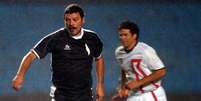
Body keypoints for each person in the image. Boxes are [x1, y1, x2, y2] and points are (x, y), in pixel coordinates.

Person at [12, 3, 105, 101]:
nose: (71, 24)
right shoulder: (56, 38)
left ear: (83, 20)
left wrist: (100, 85)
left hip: (84, 94)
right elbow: (31, 55)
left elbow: (99, 58)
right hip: (61, 95)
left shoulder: (92, 38)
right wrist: (19, 75)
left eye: (75, 20)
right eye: (67, 20)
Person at [112, 20, 167, 101]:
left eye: (125, 35)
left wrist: (138, 83)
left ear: (134, 36)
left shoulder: (145, 51)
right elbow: (124, 69)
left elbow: (161, 71)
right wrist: (123, 88)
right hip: (134, 95)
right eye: (120, 35)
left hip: (151, 94)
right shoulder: (119, 52)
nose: (122, 38)